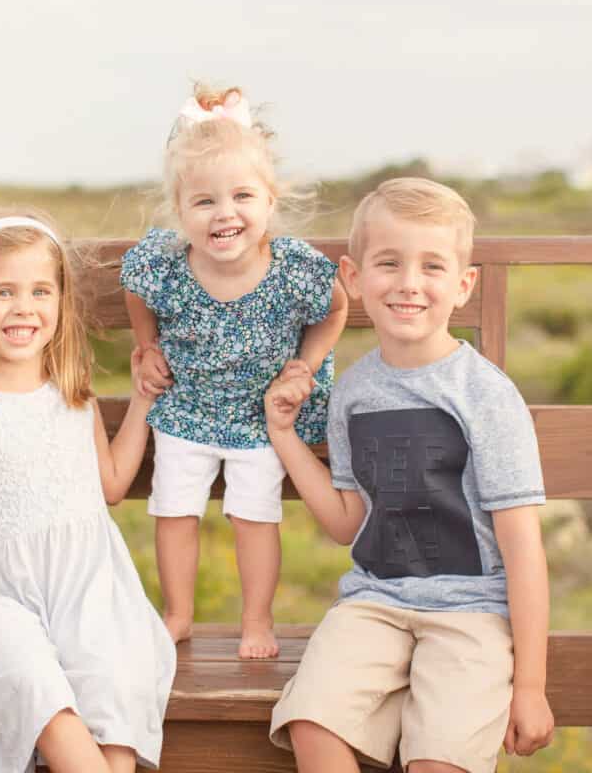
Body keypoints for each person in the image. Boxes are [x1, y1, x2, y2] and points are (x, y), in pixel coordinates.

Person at [265, 178, 554, 772]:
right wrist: (285, 437)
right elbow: (348, 523)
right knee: (310, 722)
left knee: (437, 761)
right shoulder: (353, 392)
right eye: (389, 263)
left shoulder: (485, 396)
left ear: (463, 284)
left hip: (471, 614)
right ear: (353, 275)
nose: (409, 284)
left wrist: (529, 686)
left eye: (432, 266)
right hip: (375, 604)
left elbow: (523, 548)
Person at [0, 210, 175, 773]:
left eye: (41, 290)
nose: (24, 307)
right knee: (34, 683)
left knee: (115, 679)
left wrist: (141, 401)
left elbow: (111, 485)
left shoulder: (76, 398)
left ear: (61, 303)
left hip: (89, 592)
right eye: (2, 292)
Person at [120, 83, 348, 659]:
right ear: (180, 211)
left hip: (259, 415)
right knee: (173, 509)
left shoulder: (294, 270)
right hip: (186, 406)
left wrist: (307, 364)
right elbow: (134, 293)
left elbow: (337, 307)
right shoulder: (165, 265)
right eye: (204, 202)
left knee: (254, 515)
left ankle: (257, 621)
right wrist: (147, 346)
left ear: (270, 201)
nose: (225, 214)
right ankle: (176, 614)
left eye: (242, 196)